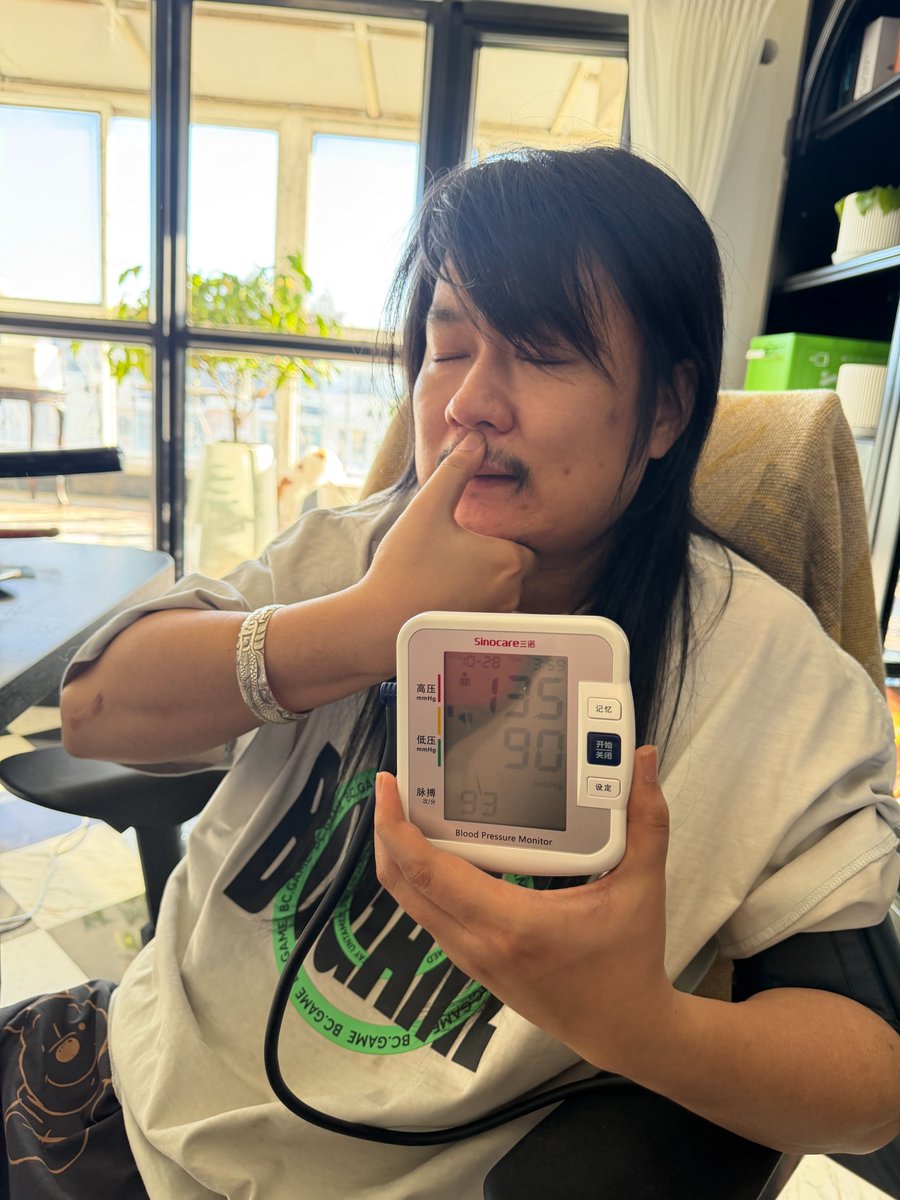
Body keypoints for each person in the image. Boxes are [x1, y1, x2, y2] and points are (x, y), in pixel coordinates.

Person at [2, 146, 898, 1200]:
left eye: (543, 352)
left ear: (665, 409)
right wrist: (363, 623)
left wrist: (640, 1025)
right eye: (449, 347)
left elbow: (872, 1085)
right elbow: (95, 709)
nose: (469, 401)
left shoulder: (768, 677)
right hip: (126, 1066)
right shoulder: (351, 552)